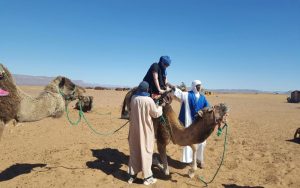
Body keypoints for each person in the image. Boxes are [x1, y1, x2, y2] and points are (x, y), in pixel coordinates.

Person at [127, 81, 163, 185]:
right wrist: (160, 106)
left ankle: (132, 176)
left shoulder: (133, 98)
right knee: (146, 152)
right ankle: (147, 178)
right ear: (147, 89)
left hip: (134, 131)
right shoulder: (148, 100)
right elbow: (155, 114)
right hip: (146, 132)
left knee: (134, 151)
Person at [172, 80, 209, 168]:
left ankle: (200, 160)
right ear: (193, 86)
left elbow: (207, 107)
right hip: (189, 123)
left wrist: (203, 111)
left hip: (199, 124)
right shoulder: (187, 95)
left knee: (202, 142)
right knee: (190, 142)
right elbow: (179, 93)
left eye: (200, 86)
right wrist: (171, 86)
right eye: (197, 86)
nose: (199, 88)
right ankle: (190, 160)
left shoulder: (202, 97)